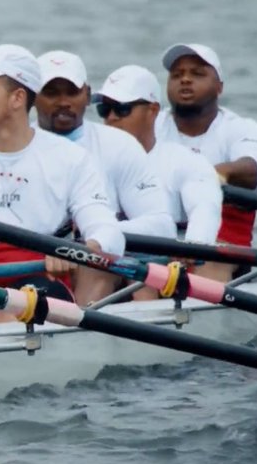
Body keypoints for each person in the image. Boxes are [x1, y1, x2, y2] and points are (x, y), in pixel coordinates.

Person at [0, 44, 125, 316]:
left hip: (39, 278)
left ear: (17, 99)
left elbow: (109, 232)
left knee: (10, 310)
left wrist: (77, 250)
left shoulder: (69, 159)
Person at [35, 50, 174, 303]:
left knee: (105, 267)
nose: (63, 101)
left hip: (96, 264)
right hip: (33, 264)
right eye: (52, 93)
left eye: (72, 92)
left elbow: (162, 226)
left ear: (87, 95)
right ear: (32, 97)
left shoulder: (118, 145)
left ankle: (78, 332)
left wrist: (92, 240)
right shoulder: (12, 148)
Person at [94, 64, 223, 298]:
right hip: (109, 261)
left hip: (168, 263)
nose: (111, 118)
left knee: (148, 275)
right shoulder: (86, 163)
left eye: (122, 109)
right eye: (104, 109)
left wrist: (194, 244)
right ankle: (80, 324)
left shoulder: (184, 161)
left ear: (152, 110)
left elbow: (205, 208)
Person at [155, 43, 257, 281]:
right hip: (157, 241)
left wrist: (217, 173)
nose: (185, 80)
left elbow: (256, 169)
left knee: (206, 265)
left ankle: (203, 310)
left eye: (197, 74)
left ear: (219, 86)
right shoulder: (153, 125)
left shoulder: (239, 128)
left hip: (222, 245)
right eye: (177, 75)